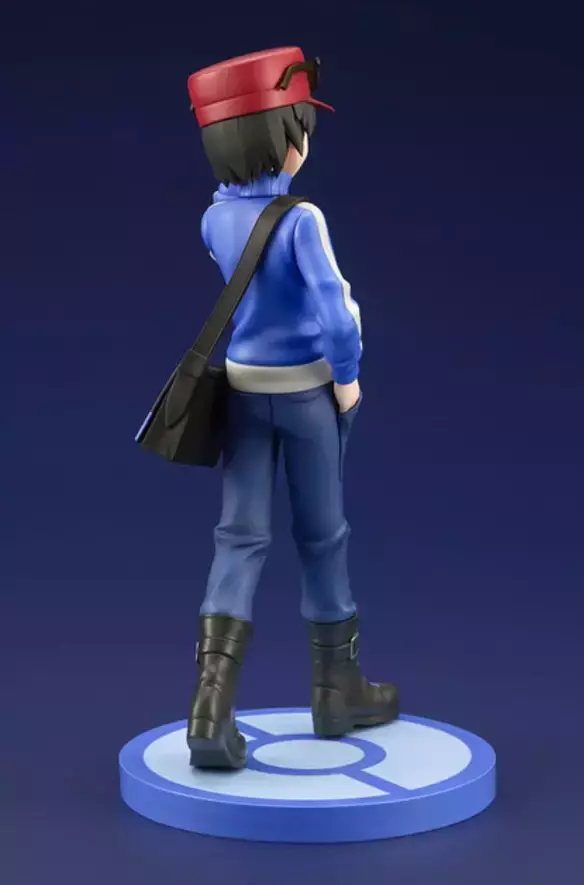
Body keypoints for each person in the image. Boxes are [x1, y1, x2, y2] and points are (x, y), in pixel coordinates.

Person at [186, 46, 399, 769]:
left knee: (238, 539)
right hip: (306, 395)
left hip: (243, 395)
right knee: (323, 536)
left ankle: (210, 706)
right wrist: (348, 377)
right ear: (283, 134)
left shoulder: (215, 219)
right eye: (300, 125)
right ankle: (336, 688)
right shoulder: (303, 219)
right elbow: (335, 313)